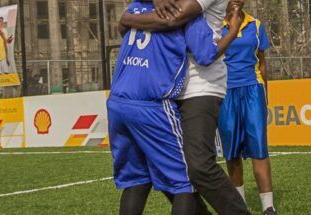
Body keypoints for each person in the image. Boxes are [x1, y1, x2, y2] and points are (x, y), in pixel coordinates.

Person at [110, 0, 244, 214]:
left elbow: (175, 19)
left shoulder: (145, 7)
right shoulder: (170, 9)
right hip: (158, 97)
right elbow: (204, 52)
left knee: (191, 169)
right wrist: (233, 30)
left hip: (192, 87)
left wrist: (127, 17)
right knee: (179, 178)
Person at [218, 4, 277, 215]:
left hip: (253, 89)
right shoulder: (215, 25)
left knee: (259, 148)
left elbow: (262, 62)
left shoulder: (256, 24)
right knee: (232, 152)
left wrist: (265, 93)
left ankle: (268, 206)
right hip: (225, 92)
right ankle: (239, 206)